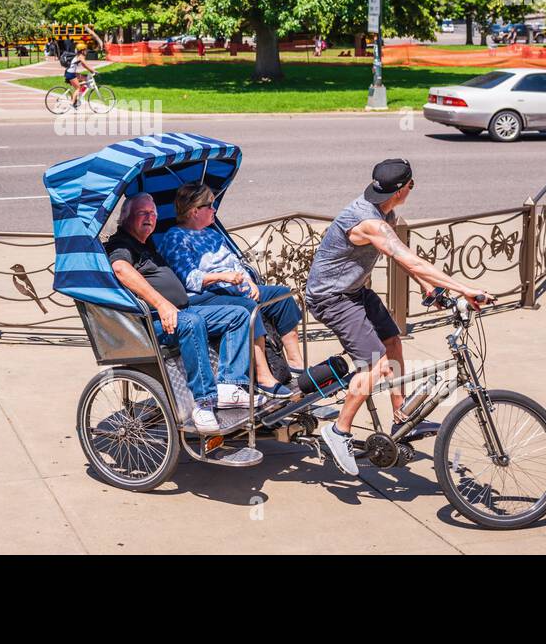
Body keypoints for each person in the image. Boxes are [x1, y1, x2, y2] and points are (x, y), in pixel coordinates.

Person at [307, 158, 494, 475]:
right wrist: (464, 289)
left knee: (393, 341)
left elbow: (405, 262)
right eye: (412, 184)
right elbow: (411, 259)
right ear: (404, 188)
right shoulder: (369, 222)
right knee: (377, 362)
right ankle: (338, 431)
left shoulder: (385, 213)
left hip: (354, 291)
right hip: (331, 297)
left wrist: (428, 288)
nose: (412, 188)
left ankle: (402, 415)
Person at [106, 193, 259, 433]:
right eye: (143, 213)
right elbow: (121, 269)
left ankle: (229, 386)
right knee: (191, 321)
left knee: (238, 314)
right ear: (126, 218)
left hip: (182, 310)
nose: (150, 218)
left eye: (153, 213)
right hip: (152, 321)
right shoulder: (121, 244)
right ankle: (203, 403)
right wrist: (162, 304)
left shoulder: (146, 244)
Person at [158, 182, 304, 399]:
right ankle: (263, 375)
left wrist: (249, 281)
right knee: (249, 307)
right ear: (194, 211)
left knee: (281, 296)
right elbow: (189, 278)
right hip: (204, 295)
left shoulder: (213, 234)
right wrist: (222, 277)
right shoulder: (175, 237)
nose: (214, 210)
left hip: (233, 287)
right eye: (210, 205)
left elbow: (235, 262)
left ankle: (296, 363)